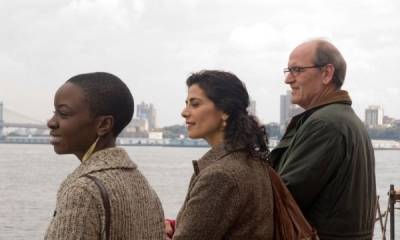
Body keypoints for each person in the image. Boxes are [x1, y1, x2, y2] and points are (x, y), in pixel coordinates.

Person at [271, 39, 376, 239]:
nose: (288, 80)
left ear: (327, 73)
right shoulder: (344, 119)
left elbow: (283, 198)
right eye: (288, 71)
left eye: (297, 70)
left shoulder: (325, 125)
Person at [45, 72, 165, 240]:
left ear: (103, 124)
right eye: (54, 112)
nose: (51, 122)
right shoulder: (144, 187)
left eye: (63, 114)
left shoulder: (83, 191)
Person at [166, 70, 274, 240]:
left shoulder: (221, 176)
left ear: (225, 110)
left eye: (195, 104)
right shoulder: (253, 160)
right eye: (187, 103)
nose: (184, 112)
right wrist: (177, 227)